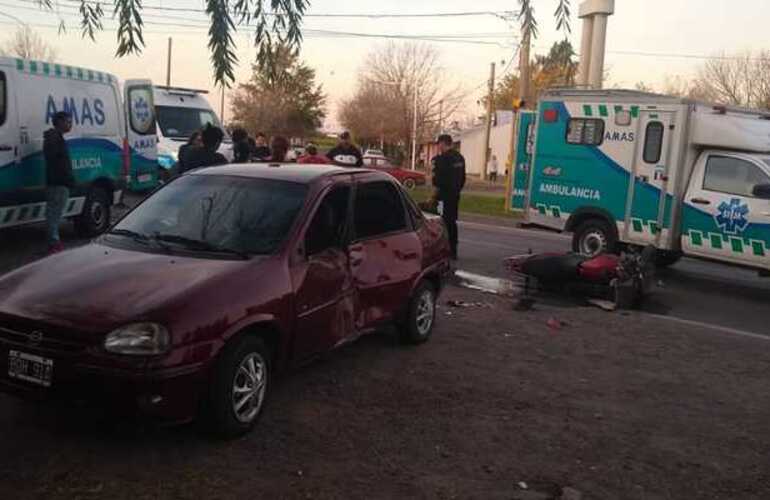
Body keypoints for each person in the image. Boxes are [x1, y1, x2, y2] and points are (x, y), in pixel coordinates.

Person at [43, 111, 75, 254]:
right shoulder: (55, 138)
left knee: (54, 214)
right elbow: (59, 163)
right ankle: (54, 244)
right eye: (68, 121)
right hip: (58, 182)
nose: (70, 124)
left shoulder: (54, 137)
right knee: (54, 214)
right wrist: (69, 179)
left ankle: (54, 242)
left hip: (57, 181)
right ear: (60, 122)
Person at [431, 134, 466, 260]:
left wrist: (433, 196)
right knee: (452, 222)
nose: (438, 146)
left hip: (442, 197)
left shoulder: (442, 159)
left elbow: (437, 181)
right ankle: (453, 249)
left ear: (442, 143)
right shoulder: (460, 158)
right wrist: (456, 190)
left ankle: (442, 249)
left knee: (441, 222)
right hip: (455, 195)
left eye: (438, 144)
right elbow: (462, 179)